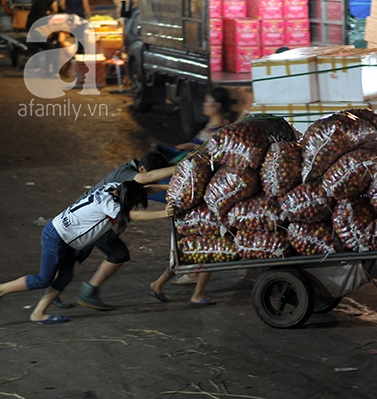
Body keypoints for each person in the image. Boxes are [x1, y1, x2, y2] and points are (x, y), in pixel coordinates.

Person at [0, 181, 174, 324]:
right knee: (43, 279)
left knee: (65, 277)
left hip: (66, 239)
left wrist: (168, 186)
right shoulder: (111, 205)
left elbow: (143, 189)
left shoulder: (114, 187)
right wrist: (163, 213)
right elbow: (134, 215)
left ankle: (38, 313)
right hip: (57, 237)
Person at [46, 151, 175, 310]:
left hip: (88, 219)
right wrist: (181, 167)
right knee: (118, 254)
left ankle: (50, 291)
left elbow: (146, 188)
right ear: (142, 169)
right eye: (154, 174)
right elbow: (135, 210)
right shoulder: (128, 174)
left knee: (76, 255)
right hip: (90, 219)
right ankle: (87, 293)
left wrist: (171, 186)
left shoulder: (131, 177)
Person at [155, 87, 233, 163]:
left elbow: (208, 153)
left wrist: (191, 146)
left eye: (207, 101)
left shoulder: (217, 131)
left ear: (217, 106)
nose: (204, 104)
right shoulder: (212, 126)